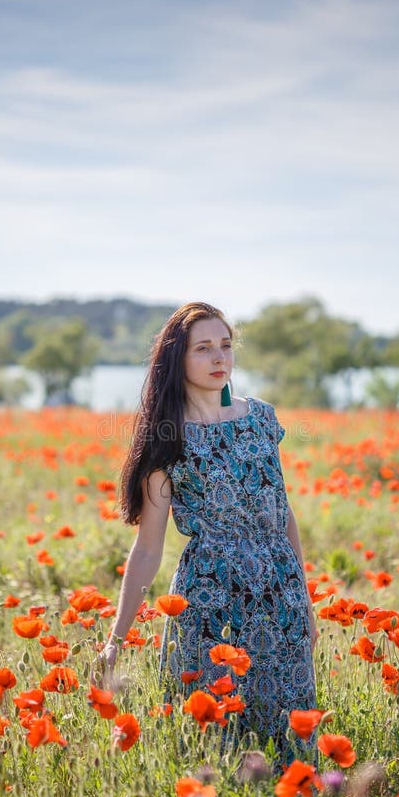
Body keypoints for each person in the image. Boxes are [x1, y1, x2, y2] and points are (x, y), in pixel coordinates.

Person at [92, 301, 317, 757]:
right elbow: (148, 550)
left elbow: (282, 510)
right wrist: (116, 640)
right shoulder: (168, 439)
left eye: (226, 346)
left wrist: (305, 598)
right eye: (204, 348)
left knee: (289, 737)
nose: (220, 358)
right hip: (212, 600)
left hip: (281, 593)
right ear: (177, 358)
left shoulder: (261, 419)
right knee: (215, 742)